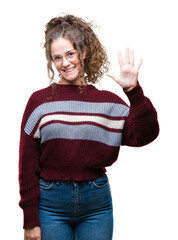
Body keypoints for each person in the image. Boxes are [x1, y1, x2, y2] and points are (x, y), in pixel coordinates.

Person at [18, 14, 159, 240]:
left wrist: (134, 91)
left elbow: (146, 135)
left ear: (83, 52)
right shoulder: (40, 101)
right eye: (57, 58)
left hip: (96, 205)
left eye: (70, 54)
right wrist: (30, 221)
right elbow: (27, 164)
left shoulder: (108, 102)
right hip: (50, 205)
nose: (65, 63)